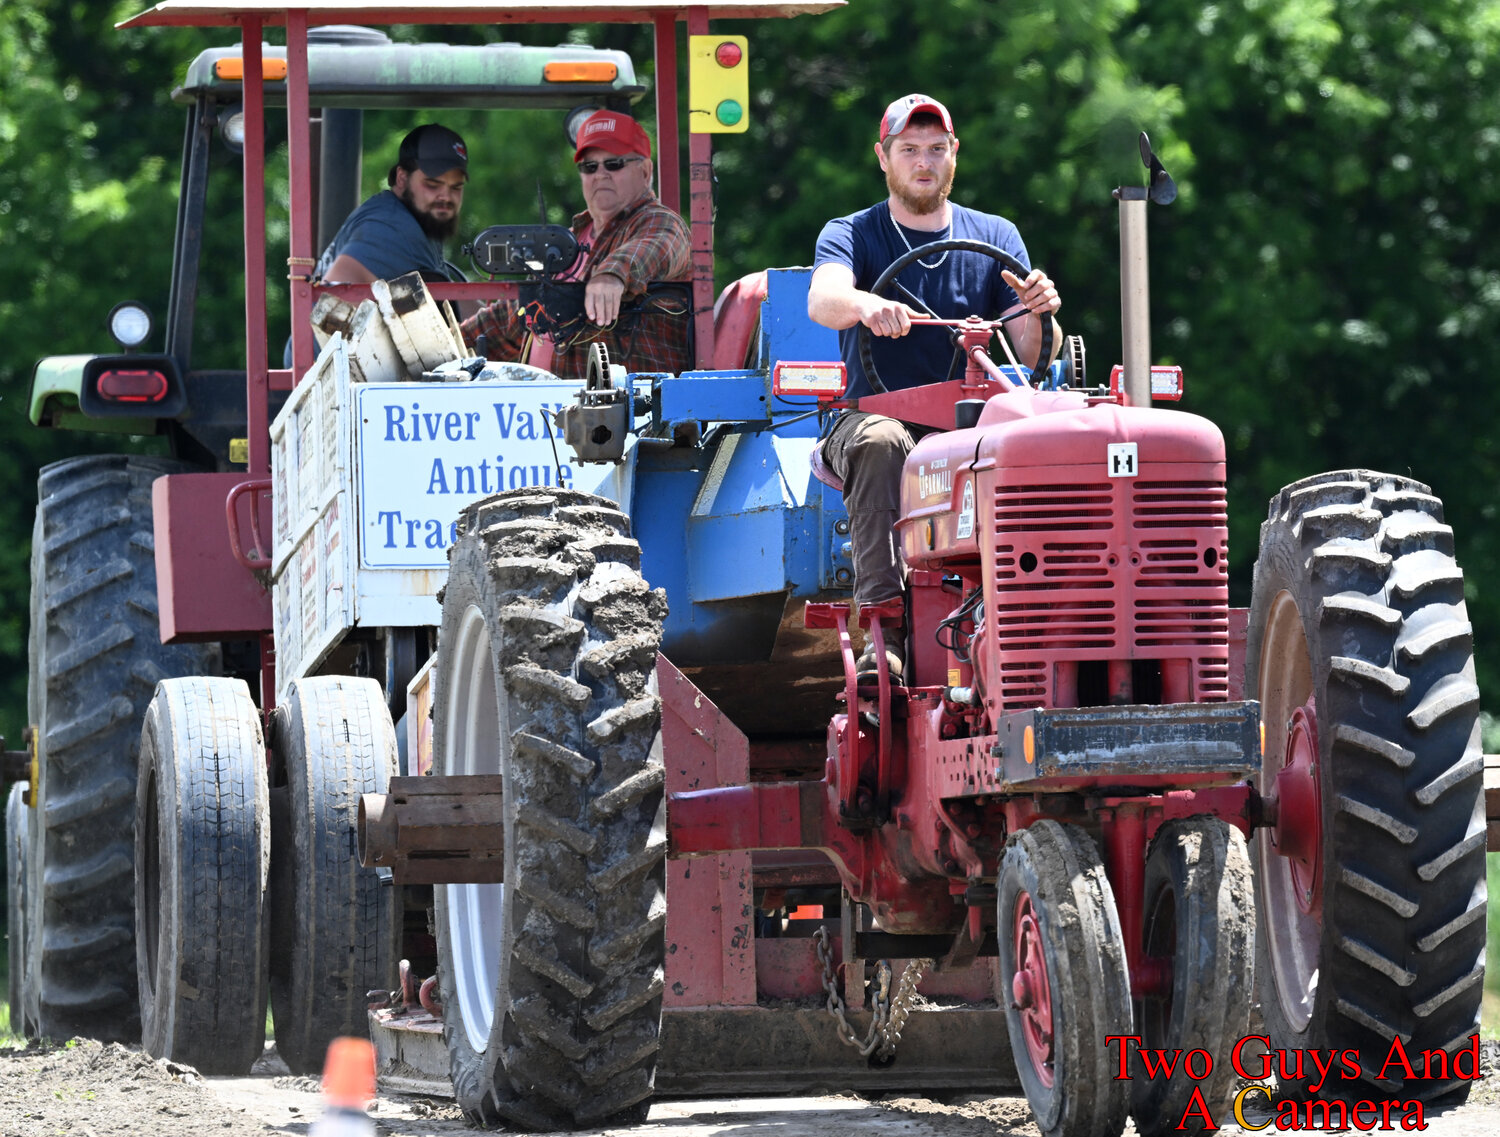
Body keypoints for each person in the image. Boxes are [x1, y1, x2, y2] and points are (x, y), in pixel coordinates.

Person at [807, 93, 1063, 682]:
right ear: (884, 157)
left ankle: (1038, 627)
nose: (924, 162)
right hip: (874, 417)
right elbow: (824, 299)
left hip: (970, 428)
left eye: (936, 149)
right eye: (910, 150)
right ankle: (883, 633)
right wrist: (868, 305)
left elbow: (1030, 352)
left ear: (955, 155)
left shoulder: (996, 235)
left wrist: (1039, 310)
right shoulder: (853, 233)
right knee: (881, 442)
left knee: (1039, 446)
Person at [461, 110, 692, 381]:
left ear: (645, 170)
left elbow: (659, 245)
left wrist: (612, 274)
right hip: (545, 412)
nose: (600, 175)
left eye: (614, 164)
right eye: (589, 167)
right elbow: (515, 313)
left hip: (634, 414)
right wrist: (453, 342)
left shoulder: (658, 222)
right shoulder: (566, 242)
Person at [316, 123, 469, 285]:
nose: (446, 197)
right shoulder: (387, 227)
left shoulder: (423, 221)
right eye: (432, 184)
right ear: (402, 178)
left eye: (456, 187)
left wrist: (495, 309)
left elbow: (453, 299)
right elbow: (333, 297)